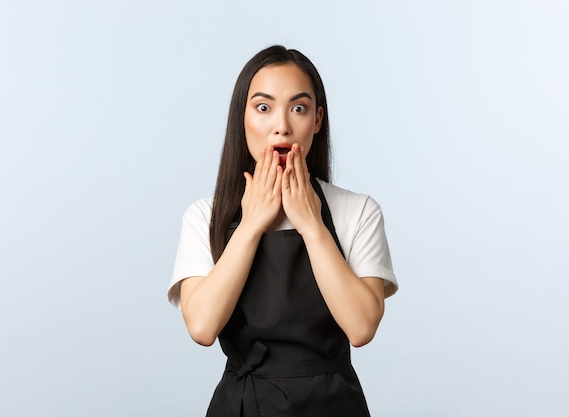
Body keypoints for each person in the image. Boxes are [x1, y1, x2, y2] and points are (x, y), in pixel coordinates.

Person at [168, 45, 398, 417]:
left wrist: (311, 223)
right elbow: (202, 327)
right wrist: (251, 224)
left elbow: (361, 328)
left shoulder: (359, 211)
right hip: (242, 405)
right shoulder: (204, 216)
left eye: (298, 108)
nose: (282, 125)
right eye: (263, 107)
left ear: (317, 120)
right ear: (241, 118)